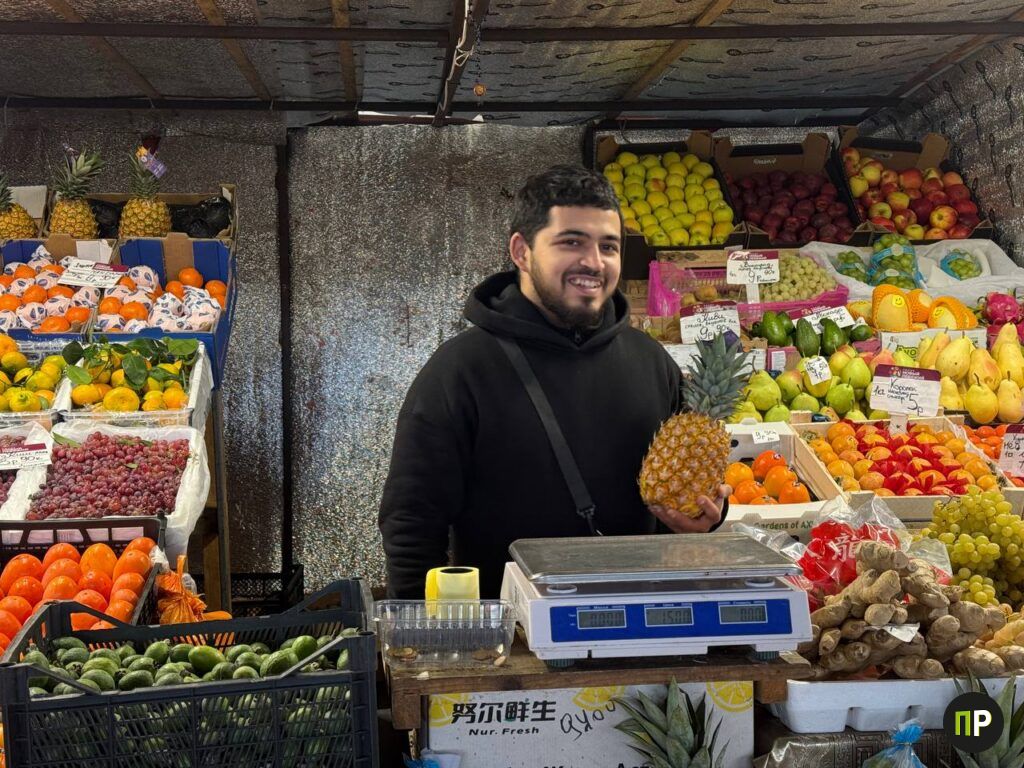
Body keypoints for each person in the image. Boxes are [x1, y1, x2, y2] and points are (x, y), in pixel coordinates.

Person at [379, 165, 729, 599]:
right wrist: (425, 634)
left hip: (638, 622)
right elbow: (412, 520)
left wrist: (709, 514)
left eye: (609, 246)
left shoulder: (650, 360)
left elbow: (695, 491)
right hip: (512, 642)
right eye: (571, 242)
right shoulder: (460, 369)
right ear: (522, 252)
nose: (594, 262)